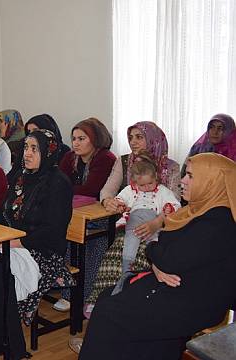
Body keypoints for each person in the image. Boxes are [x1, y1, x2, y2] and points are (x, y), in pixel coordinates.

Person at [78, 153, 236, 360]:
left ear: (212, 182)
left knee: (108, 311)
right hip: (178, 289)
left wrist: (156, 254)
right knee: (108, 296)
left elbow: (167, 257)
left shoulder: (218, 222)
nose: (182, 181)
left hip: (194, 301)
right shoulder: (200, 210)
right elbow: (167, 253)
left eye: (190, 176)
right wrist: (158, 260)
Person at [88, 121, 181, 311]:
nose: (133, 142)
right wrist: (109, 202)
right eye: (130, 137)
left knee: (146, 255)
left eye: (139, 137)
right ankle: (105, 305)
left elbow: (175, 207)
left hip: (160, 228)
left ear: (153, 140)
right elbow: (106, 192)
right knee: (116, 255)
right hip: (132, 223)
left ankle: (132, 306)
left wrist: (156, 223)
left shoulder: (170, 167)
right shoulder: (124, 161)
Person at [0, 130, 74, 327]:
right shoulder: (21, 177)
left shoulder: (58, 183)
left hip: (44, 251)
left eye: (35, 149)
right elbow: (4, 212)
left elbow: (52, 230)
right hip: (14, 243)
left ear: (48, 152)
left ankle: (4, 329)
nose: (27, 154)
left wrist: (17, 242)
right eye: (26, 147)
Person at [56, 117, 115, 311]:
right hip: (75, 213)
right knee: (64, 238)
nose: (75, 143)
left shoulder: (105, 158)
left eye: (82, 138)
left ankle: (86, 296)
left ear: (95, 139)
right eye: (74, 138)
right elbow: (58, 182)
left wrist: (67, 189)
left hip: (102, 215)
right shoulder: (70, 157)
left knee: (94, 245)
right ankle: (67, 293)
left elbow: (92, 189)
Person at [109, 151, 180, 296]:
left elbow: (175, 204)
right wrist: (120, 204)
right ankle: (126, 269)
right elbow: (120, 198)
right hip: (135, 221)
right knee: (131, 238)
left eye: (150, 183)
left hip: (155, 222)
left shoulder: (162, 191)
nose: (147, 187)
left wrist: (168, 208)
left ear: (156, 178)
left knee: (156, 242)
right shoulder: (130, 190)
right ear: (134, 183)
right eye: (142, 185)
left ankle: (156, 265)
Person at [7, 113, 70, 181]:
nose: (31, 134)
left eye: (35, 130)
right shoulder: (25, 149)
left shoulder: (63, 151)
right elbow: (12, 175)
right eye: (29, 131)